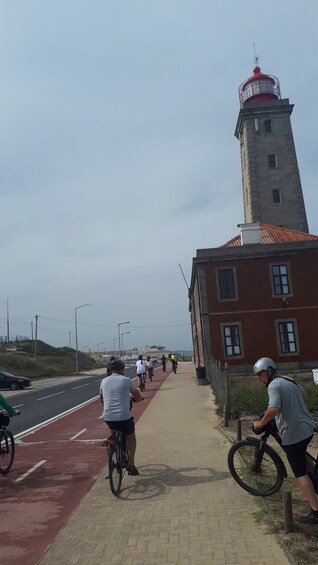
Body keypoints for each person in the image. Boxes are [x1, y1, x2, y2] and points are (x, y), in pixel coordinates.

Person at [253, 356, 318, 524]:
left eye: (260, 375)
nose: (259, 379)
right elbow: (302, 394)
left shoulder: (273, 385)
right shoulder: (287, 379)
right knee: (302, 457)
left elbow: (273, 408)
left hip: (294, 433)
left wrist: (260, 423)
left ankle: (315, 512)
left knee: (299, 473)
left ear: (268, 371)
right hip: (307, 427)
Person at [100, 359, 142, 476]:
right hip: (124, 417)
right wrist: (137, 399)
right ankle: (131, 465)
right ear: (122, 370)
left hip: (108, 416)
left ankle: (112, 444)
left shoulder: (103, 381)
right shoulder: (126, 380)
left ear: (109, 371)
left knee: (112, 428)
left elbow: (102, 399)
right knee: (131, 437)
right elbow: (137, 397)